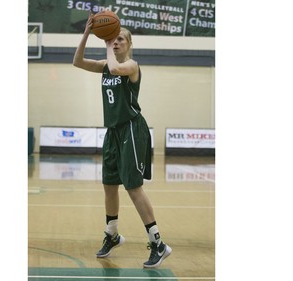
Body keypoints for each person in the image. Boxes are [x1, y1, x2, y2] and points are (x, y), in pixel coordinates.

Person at [73, 13, 172, 268]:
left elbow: (115, 68)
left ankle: (158, 243)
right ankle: (112, 234)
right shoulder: (105, 66)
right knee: (109, 185)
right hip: (113, 132)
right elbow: (77, 62)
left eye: (120, 39)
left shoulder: (131, 66)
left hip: (131, 129)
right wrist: (87, 34)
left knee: (133, 187)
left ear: (128, 45)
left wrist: (106, 43)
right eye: (113, 39)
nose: (115, 43)